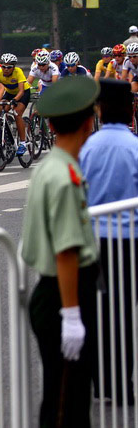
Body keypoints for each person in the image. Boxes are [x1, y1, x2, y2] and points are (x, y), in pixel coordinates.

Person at [21, 76, 100, 428]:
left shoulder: (48, 167)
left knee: (57, 393)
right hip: (63, 294)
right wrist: (71, 315)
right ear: (89, 122)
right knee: (70, 400)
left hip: (50, 293)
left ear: (50, 125)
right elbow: (67, 252)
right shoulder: (66, 176)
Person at [80, 78, 138, 406]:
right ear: (130, 110)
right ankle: (123, 386)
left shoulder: (88, 147)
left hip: (95, 242)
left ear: (99, 110)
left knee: (98, 312)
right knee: (125, 315)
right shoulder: (134, 147)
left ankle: (101, 381)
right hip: (130, 243)